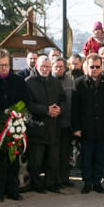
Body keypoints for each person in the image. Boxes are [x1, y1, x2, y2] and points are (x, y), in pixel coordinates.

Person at [0, 48, 29, 203]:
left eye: (6, 65)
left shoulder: (17, 81)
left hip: (15, 125)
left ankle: (13, 190)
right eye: (0, 65)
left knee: (14, 160)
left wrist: (16, 111)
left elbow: (24, 99)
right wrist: (2, 113)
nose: (4, 68)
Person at [73, 54, 104, 193]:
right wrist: (76, 128)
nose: (95, 69)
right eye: (92, 67)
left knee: (99, 156)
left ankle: (97, 182)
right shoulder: (79, 83)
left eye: (98, 67)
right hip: (86, 128)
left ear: (102, 67)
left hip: (103, 127)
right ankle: (87, 182)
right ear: (87, 66)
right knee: (86, 157)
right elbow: (75, 108)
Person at [24, 55, 65, 193]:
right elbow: (28, 104)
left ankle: (51, 183)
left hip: (53, 126)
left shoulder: (55, 82)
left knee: (53, 159)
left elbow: (63, 99)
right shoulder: (29, 82)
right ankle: (36, 185)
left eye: (48, 66)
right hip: (37, 127)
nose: (45, 69)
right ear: (36, 66)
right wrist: (46, 110)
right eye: (43, 66)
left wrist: (59, 109)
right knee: (36, 160)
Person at [51, 57, 76, 187]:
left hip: (67, 123)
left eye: (61, 66)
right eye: (56, 66)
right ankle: (54, 180)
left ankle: (65, 179)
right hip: (52, 123)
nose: (59, 69)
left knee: (65, 153)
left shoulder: (71, 82)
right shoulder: (49, 81)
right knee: (54, 154)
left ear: (65, 67)